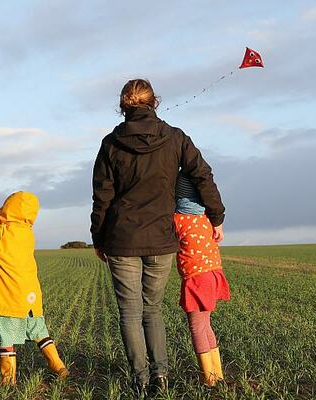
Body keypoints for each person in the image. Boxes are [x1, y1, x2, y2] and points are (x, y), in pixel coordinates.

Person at [90, 79, 225, 395]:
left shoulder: (110, 143)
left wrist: (98, 237)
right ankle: (160, 377)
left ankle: (140, 380)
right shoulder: (175, 138)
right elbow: (202, 175)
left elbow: (102, 197)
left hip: (121, 240)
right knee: (152, 310)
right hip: (162, 239)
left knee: (130, 312)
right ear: (155, 103)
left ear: (124, 106)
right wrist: (216, 217)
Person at [0, 192, 68, 386]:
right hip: (30, 297)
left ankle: (7, 379)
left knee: (5, 338)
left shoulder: (1, 235)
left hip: (8, 297)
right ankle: (59, 366)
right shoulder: (26, 233)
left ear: (8, 208)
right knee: (40, 333)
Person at [174, 173, 230, 386]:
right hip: (212, 275)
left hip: (197, 280)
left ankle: (209, 380)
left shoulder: (178, 219)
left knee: (197, 328)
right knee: (205, 326)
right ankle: (217, 375)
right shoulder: (207, 218)